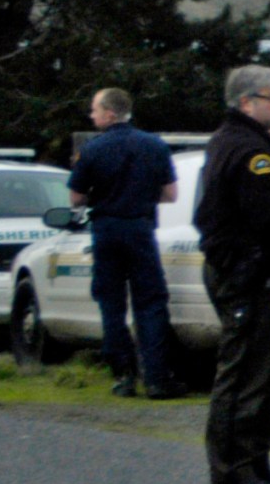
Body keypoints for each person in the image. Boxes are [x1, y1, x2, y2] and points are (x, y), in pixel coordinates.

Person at [193, 66, 270, 484]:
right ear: (246, 102)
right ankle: (231, 468)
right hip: (244, 269)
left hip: (249, 269)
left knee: (266, 367)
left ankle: (252, 458)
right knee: (244, 370)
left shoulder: (247, 143)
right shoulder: (247, 150)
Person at [66, 86, 183, 399]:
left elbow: (76, 197)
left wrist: (100, 195)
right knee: (151, 302)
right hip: (141, 228)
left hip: (106, 229)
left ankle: (123, 376)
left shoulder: (92, 149)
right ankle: (157, 378)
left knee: (111, 303)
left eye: (94, 110)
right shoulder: (155, 146)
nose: (92, 116)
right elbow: (171, 194)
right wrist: (143, 195)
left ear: (110, 113)